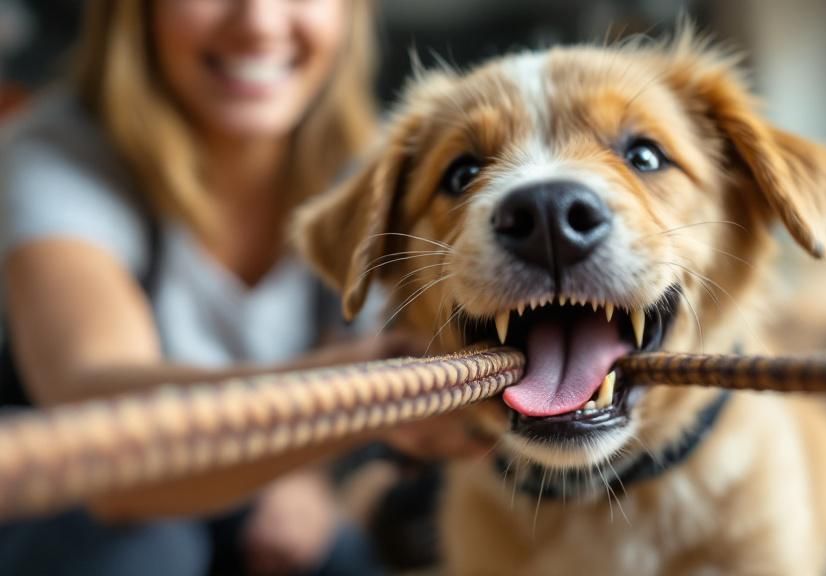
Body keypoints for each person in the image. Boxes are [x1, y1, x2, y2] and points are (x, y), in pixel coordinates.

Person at [0, 1, 481, 574]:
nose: (259, 22)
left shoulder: (376, 170)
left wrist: (313, 480)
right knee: (138, 549)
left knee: (347, 558)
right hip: (86, 508)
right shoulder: (53, 157)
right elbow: (105, 438)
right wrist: (364, 401)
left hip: (271, 496)